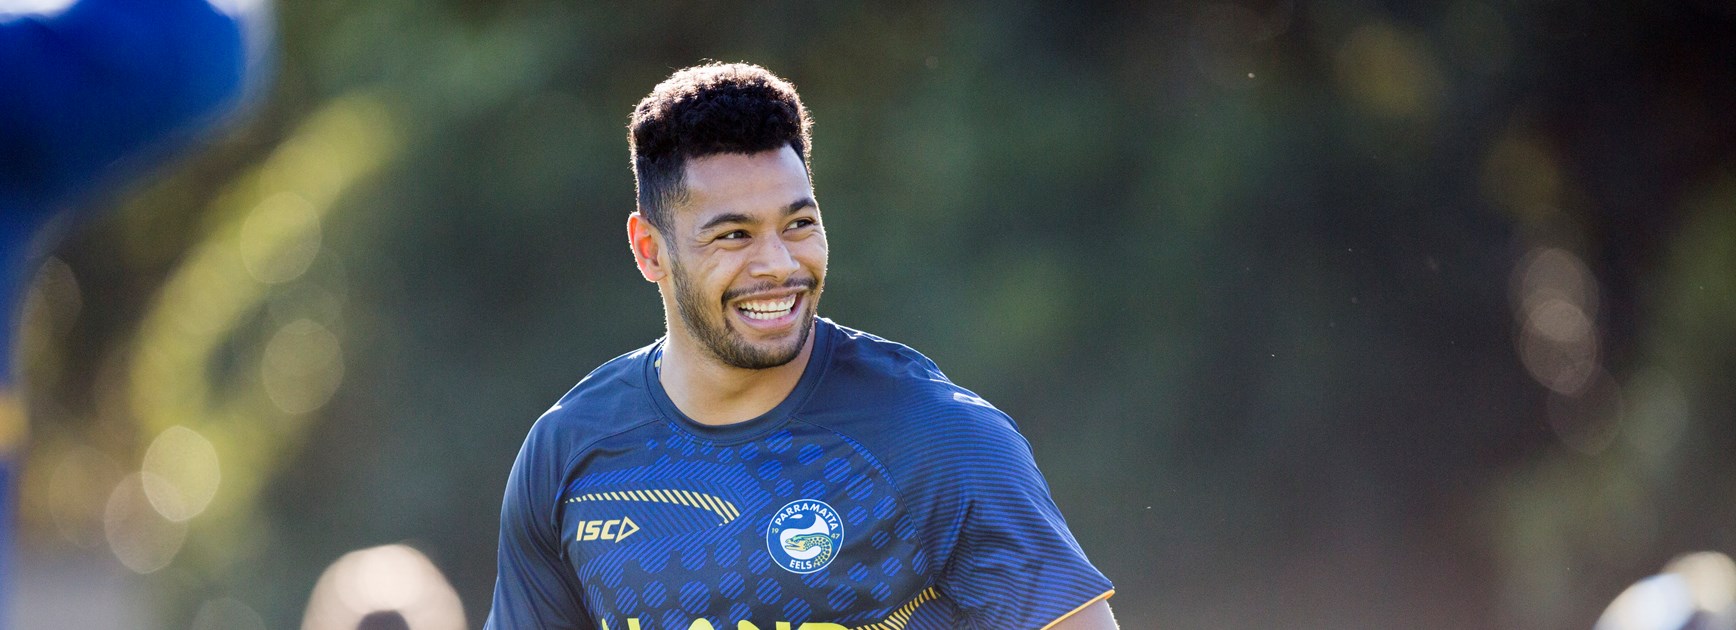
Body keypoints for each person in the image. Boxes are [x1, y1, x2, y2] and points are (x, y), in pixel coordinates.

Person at [487, 62, 1117, 630]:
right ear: (650, 250)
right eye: (734, 235)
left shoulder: (938, 440)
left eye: (798, 224)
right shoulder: (569, 451)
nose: (780, 264)